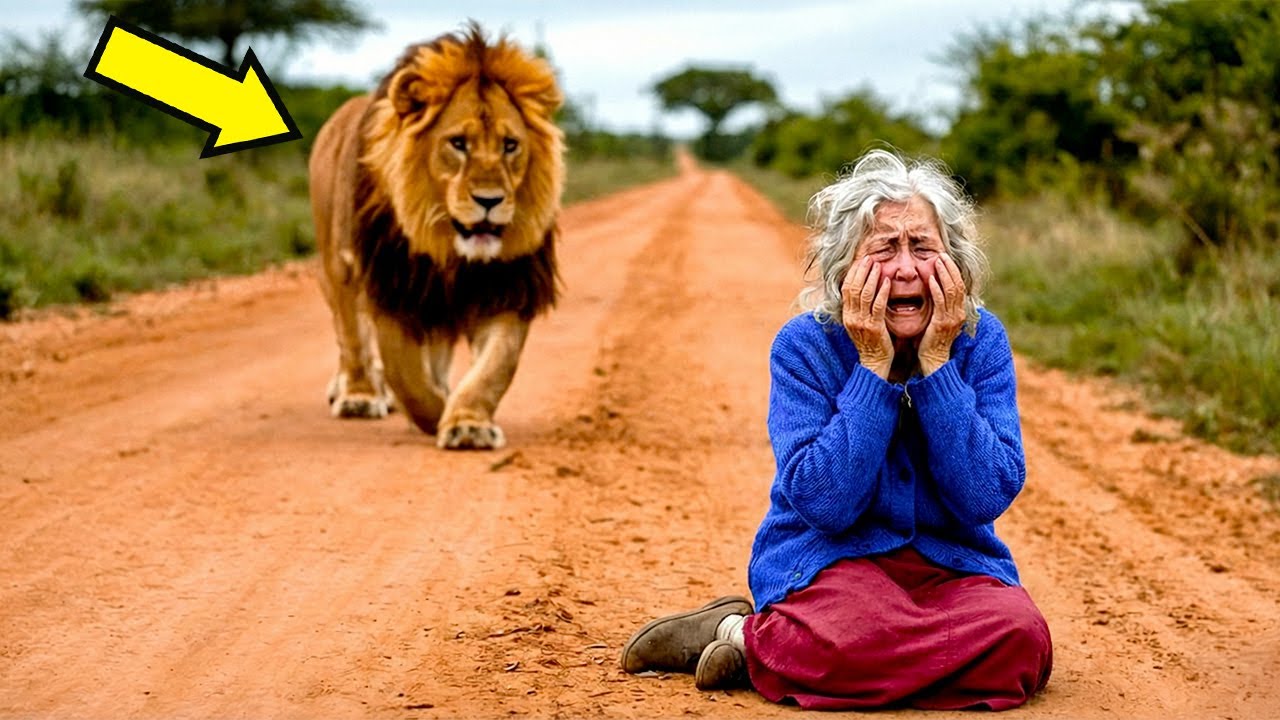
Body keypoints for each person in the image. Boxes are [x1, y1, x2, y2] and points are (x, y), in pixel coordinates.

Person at [619, 149, 1053, 711]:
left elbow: (984, 495)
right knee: (848, 637)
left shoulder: (980, 342)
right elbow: (825, 505)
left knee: (1021, 642)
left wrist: (938, 365)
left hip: (952, 567)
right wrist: (873, 366)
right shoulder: (803, 347)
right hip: (831, 564)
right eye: (883, 250)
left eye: (923, 248)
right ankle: (757, 636)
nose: (904, 269)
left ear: (956, 265)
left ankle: (760, 650)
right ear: (845, 268)